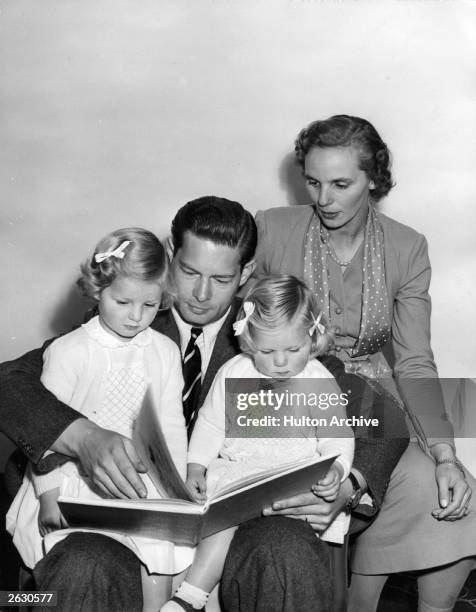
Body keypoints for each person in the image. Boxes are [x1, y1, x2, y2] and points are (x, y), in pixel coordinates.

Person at [1, 196, 408, 611]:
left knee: (284, 549)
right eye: (190, 271)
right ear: (172, 257)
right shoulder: (126, 315)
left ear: (246, 273)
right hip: (131, 521)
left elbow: (385, 418)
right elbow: (10, 381)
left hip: (241, 527)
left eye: (219, 279)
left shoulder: (274, 334)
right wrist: (80, 435)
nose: (199, 293)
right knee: (83, 562)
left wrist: (348, 486)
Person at [251, 115, 476, 612]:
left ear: (373, 179)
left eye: (340, 184)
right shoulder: (270, 228)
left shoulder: (407, 246)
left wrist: (444, 452)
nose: (323, 198)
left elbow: (415, 360)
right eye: (313, 182)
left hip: (374, 406)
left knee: (451, 494)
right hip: (287, 399)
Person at [6, 227, 191, 610]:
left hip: (143, 480)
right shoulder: (69, 351)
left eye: (151, 305)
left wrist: (176, 490)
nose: (136, 317)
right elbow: (51, 438)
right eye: (123, 302)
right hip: (74, 480)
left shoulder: (164, 351)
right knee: (73, 560)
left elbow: (171, 425)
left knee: (160, 554)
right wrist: (50, 497)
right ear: (97, 289)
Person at [162, 275, 355, 612]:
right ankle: (193, 594)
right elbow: (210, 425)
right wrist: (196, 466)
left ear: (312, 339)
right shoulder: (235, 372)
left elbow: (337, 436)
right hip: (239, 474)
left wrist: (336, 469)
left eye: (293, 349)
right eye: (267, 351)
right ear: (249, 340)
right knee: (222, 522)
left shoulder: (317, 381)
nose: (280, 361)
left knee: (282, 545)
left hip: (291, 481)